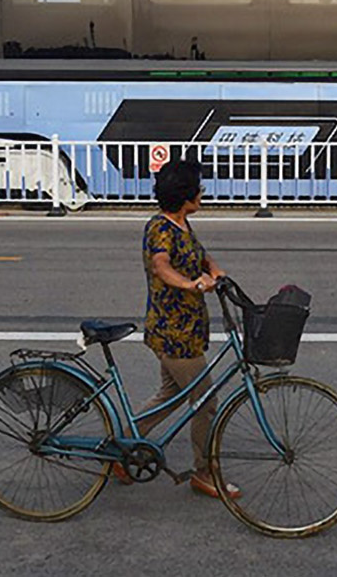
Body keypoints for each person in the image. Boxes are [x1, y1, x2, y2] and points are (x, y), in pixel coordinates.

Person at [125, 158, 240, 500]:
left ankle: (123, 447)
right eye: (198, 189)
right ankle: (204, 473)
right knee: (205, 401)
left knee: (170, 394)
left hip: (187, 328)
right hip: (173, 332)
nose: (202, 193)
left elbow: (201, 256)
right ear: (184, 195)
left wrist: (217, 272)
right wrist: (192, 284)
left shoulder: (182, 224)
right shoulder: (160, 229)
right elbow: (161, 266)